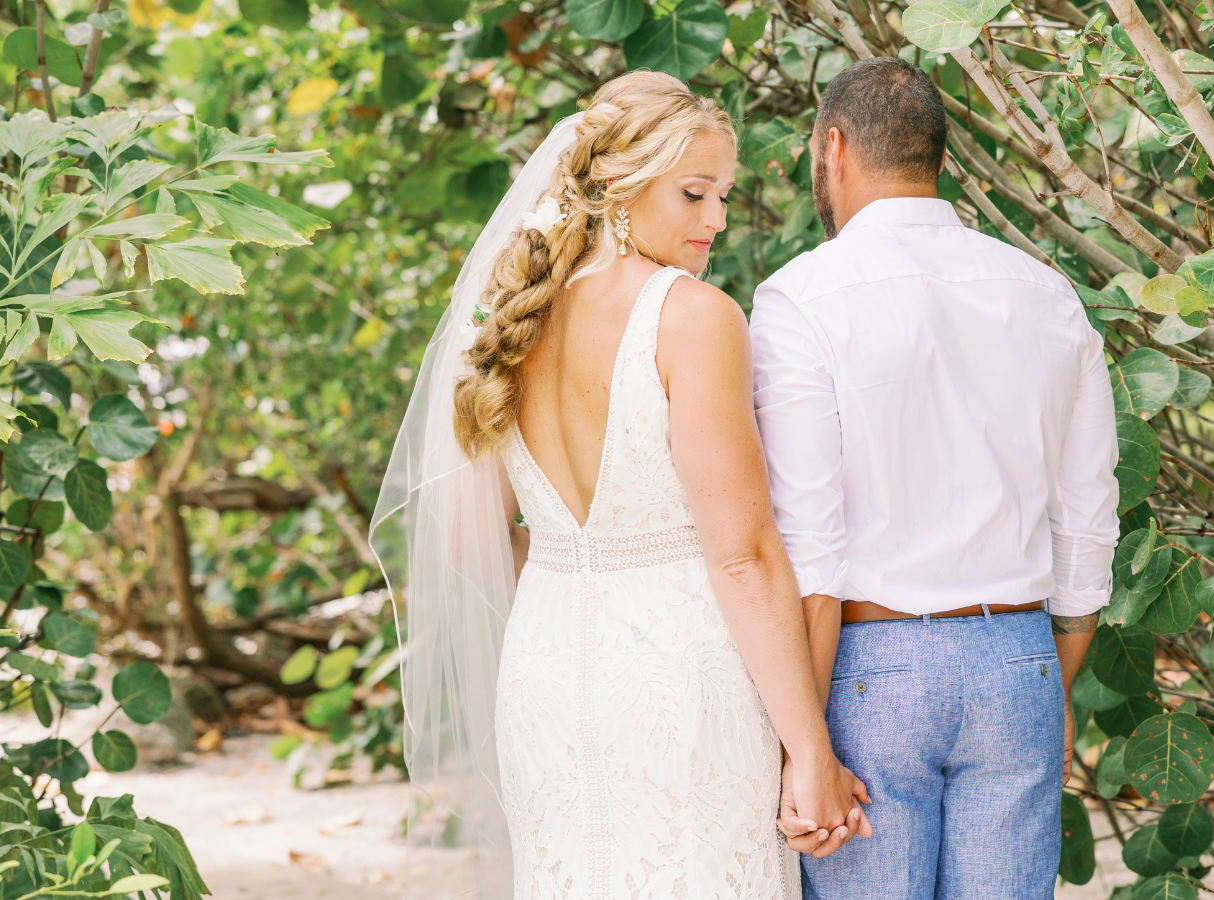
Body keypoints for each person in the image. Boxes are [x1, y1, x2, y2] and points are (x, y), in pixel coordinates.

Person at [371, 71, 869, 900]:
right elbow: (743, 557)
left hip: (546, 670)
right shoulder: (693, 315)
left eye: (722, 196)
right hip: (680, 678)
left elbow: (467, 535)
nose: (716, 219)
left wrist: (579, 557)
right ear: (615, 184)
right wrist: (810, 752)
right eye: (695, 194)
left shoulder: (508, 316)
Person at [750, 57, 1122, 898]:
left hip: (867, 665)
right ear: (940, 162)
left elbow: (810, 549)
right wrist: (1048, 677)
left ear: (832, 150)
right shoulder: (1047, 293)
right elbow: (1090, 516)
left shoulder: (799, 299)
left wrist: (803, 745)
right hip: (1018, 657)